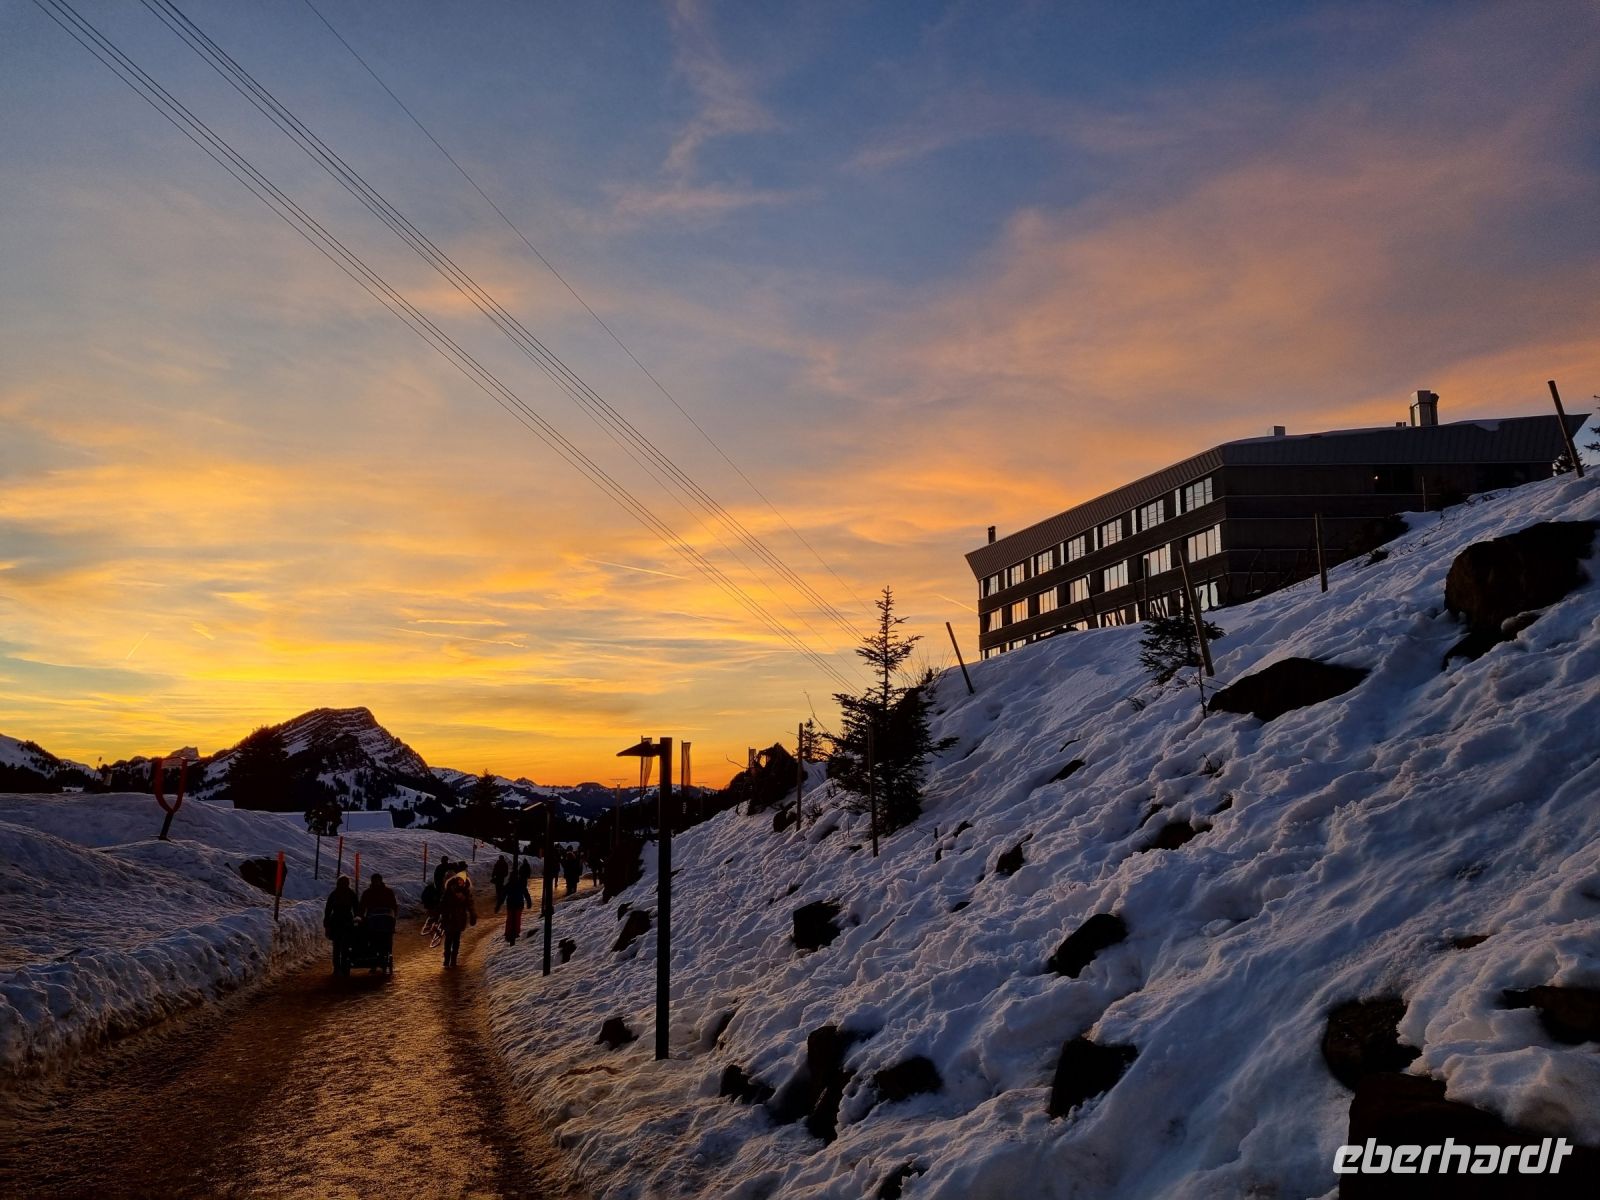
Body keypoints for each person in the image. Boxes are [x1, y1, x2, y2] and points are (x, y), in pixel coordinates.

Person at [439, 871, 477, 968]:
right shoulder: (449, 891)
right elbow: (442, 904)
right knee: (449, 940)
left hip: (459, 919)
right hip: (449, 918)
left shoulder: (466, 892)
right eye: (459, 880)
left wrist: (473, 915)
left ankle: (453, 961)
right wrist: (439, 915)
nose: (460, 882)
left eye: (462, 881)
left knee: (456, 940)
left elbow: (470, 904)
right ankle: (447, 960)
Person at [323, 875, 358, 972]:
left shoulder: (335, 894)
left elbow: (328, 910)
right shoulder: (349, 894)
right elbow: (356, 909)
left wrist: (327, 922)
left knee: (339, 946)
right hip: (343, 921)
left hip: (339, 921)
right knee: (343, 946)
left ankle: (339, 967)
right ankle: (342, 966)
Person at [503, 860, 533, 946]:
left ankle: (510, 933)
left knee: (510, 919)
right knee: (516, 918)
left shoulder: (510, 884)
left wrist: (499, 903)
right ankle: (514, 932)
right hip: (518, 904)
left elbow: (503, 893)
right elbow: (526, 893)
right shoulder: (520, 883)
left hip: (512, 904)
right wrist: (529, 902)